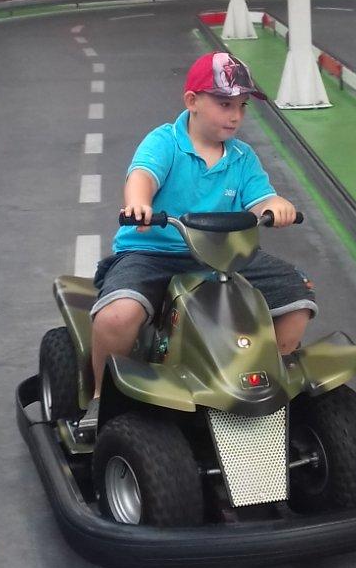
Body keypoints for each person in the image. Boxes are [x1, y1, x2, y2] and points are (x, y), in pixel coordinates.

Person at [87, 50, 316, 423]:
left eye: (242, 106)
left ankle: (270, 381)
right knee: (117, 316)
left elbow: (261, 199)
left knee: (296, 296)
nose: (235, 115)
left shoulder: (241, 157)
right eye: (225, 104)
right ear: (192, 101)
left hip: (223, 256)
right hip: (154, 253)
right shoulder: (165, 142)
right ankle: (102, 396)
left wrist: (277, 205)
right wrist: (139, 203)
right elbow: (143, 176)